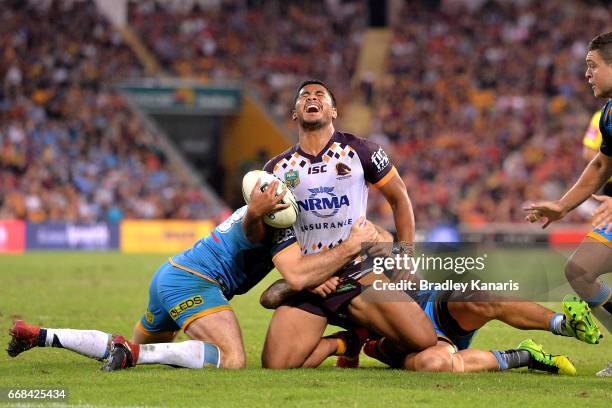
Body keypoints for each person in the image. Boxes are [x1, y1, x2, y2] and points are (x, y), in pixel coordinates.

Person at [7, 179, 380, 370]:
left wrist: (313, 277)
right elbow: (278, 259)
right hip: (193, 282)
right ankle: (131, 352)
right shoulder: (271, 222)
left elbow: (274, 291)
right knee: (231, 359)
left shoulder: (264, 217)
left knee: (151, 346)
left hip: (170, 275)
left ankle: (39, 335)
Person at [260, 79, 437, 369]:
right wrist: (305, 275)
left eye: (320, 95)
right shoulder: (276, 169)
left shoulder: (361, 150)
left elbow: (400, 198)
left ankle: (362, 329)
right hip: (313, 279)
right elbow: (275, 234)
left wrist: (405, 256)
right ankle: (345, 342)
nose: (311, 98)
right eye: (304, 96)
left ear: (333, 111)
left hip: (357, 271)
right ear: (295, 113)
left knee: (423, 340)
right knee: (276, 365)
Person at [525, 31, 612, 377]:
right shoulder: (608, 114)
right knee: (580, 270)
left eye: (593, 66)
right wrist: (562, 206)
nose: (587, 74)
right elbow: (603, 165)